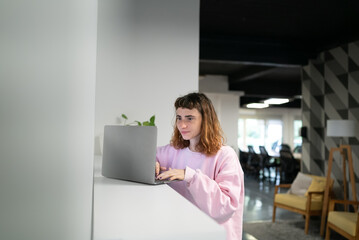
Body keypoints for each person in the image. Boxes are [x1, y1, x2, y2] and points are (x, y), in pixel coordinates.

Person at [156, 92, 244, 240]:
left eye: (189, 118)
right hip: (182, 229)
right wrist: (152, 163)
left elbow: (226, 206)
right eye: (179, 118)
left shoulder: (225, 155)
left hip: (213, 234)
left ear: (205, 120)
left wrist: (190, 176)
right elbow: (147, 156)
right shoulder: (173, 151)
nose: (182, 125)